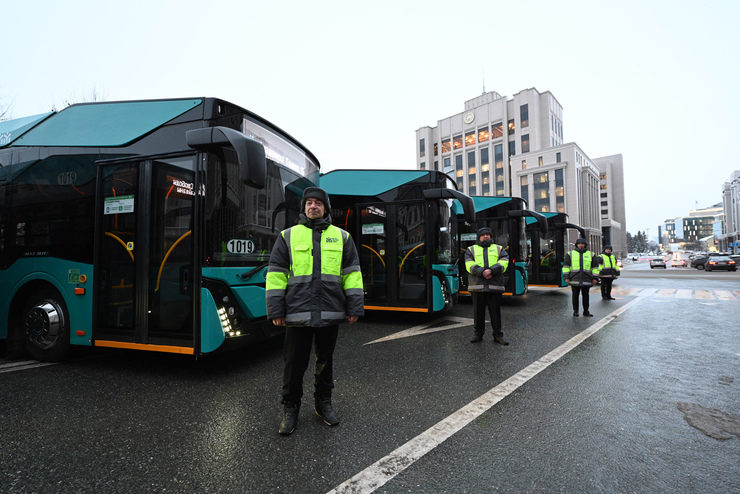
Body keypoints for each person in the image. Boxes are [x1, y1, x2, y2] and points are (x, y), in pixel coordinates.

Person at [266, 187, 364, 436]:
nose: (313, 207)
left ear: (325, 208)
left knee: (325, 362)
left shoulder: (342, 237)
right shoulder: (288, 236)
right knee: (294, 366)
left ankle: (323, 404)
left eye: (318, 203)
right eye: (309, 203)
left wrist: (354, 307)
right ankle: (291, 408)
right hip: (297, 314)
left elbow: (352, 274)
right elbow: (276, 275)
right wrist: (276, 309)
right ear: (304, 208)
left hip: (329, 312)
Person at [464, 227, 510, 345]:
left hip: (494, 286)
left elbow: (504, 261)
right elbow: (469, 264)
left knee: (495, 313)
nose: (486, 236)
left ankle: (498, 335)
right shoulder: (471, 249)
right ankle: (478, 335)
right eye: (483, 235)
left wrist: (491, 270)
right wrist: (482, 272)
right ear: (478, 237)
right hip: (478, 286)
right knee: (478, 313)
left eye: (488, 234)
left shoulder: (499, 249)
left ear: (491, 236)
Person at [563, 238, 598, 317]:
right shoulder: (570, 254)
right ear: (576, 245)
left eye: (582, 243)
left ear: (585, 245)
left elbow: (595, 267)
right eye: (579, 243)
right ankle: (575, 311)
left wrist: (595, 278)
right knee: (575, 296)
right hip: (574, 278)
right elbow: (566, 266)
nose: (581, 245)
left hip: (587, 278)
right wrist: (566, 276)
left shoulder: (591, 254)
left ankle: (586, 311)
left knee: (586, 296)